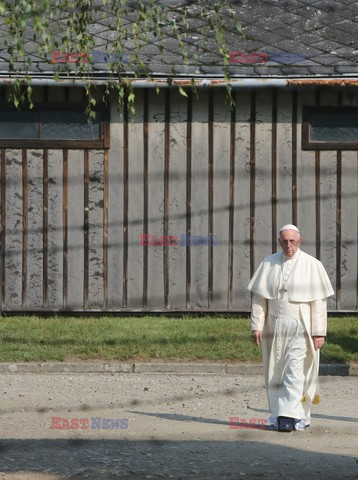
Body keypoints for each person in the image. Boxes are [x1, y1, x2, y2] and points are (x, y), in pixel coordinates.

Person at [247, 224, 334, 432]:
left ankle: (288, 416)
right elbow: (259, 299)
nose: (288, 246)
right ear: (279, 242)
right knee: (275, 371)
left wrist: (319, 332)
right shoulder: (268, 263)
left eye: (292, 241)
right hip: (274, 326)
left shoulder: (312, 265)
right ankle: (283, 414)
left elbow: (319, 303)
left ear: (299, 241)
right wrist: (256, 326)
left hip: (301, 326)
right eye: (284, 241)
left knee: (295, 370)